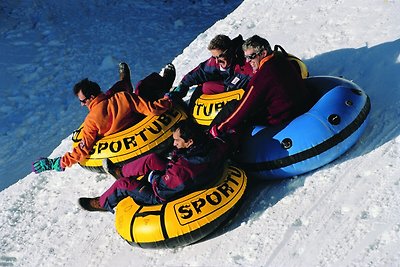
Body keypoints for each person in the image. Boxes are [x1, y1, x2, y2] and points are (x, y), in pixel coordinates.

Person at [32, 69, 173, 174]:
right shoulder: (123, 97)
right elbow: (152, 109)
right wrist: (169, 100)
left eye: (82, 101)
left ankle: (125, 81)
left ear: (91, 97)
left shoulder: (91, 120)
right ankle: (161, 80)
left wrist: (57, 163)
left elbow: (82, 149)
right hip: (142, 132)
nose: (82, 105)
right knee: (142, 87)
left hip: (126, 151)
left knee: (124, 90)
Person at [78, 119, 232, 212]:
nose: (174, 143)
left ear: (189, 142)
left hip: (162, 193)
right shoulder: (208, 145)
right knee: (152, 159)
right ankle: (121, 171)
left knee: (123, 185)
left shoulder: (179, 173)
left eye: (177, 141)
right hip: (185, 170)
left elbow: (162, 190)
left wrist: (153, 177)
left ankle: (103, 203)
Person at [209, 35, 314, 138]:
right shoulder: (281, 59)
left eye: (251, 57)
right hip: (300, 108)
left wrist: (220, 127)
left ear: (263, 53)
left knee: (232, 107)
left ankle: (209, 137)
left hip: (283, 118)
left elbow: (244, 107)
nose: (248, 61)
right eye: (246, 57)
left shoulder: (263, 75)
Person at [167, 34, 254, 103]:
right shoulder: (215, 62)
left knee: (207, 87)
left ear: (230, 51)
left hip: (244, 97)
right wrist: (181, 88)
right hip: (228, 93)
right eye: (214, 57)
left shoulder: (246, 62)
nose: (216, 61)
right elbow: (198, 73)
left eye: (220, 56)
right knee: (203, 87)